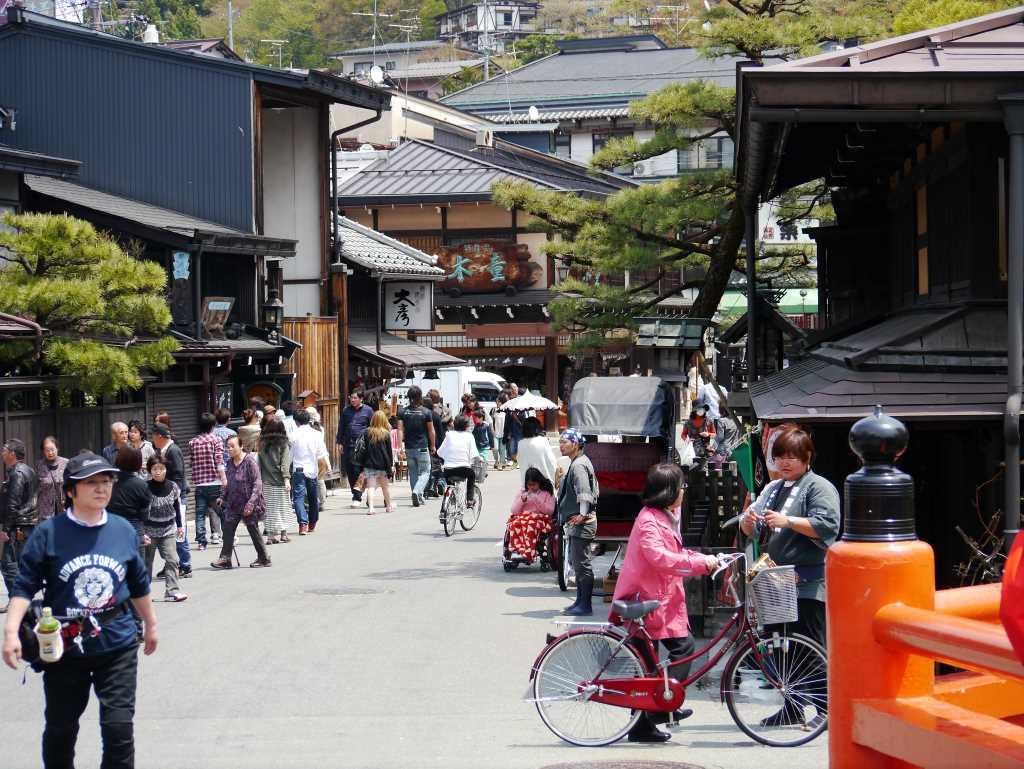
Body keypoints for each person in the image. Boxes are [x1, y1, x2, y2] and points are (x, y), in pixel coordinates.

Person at [2, 451, 158, 769]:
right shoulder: (49, 533)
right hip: (64, 648)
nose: (101, 488)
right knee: (61, 731)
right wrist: (10, 632)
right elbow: (24, 585)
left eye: (106, 481)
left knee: (118, 730)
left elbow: (138, 583)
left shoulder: (122, 530)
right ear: (71, 490)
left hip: (117, 642)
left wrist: (151, 624)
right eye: (91, 483)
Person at [610, 462, 719, 743]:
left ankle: (643, 724)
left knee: (648, 665)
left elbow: (676, 551)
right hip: (647, 599)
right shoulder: (649, 520)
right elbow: (660, 558)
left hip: (658, 598)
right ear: (670, 491)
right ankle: (659, 708)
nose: (684, 491)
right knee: (682, 648)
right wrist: (700, 564)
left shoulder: (665, 515)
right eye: (681, 486)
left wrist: (701, 559)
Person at [740, 427, 839, 727]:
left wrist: (789, 521)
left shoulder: (818, 487)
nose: (785, 463)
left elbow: (828, 525)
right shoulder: (773, 488)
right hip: (777, 579)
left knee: (808, 643)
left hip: (809, 580)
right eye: (780, 456)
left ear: (807, 457)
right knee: (780, 646)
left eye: (792, 457)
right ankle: (793, 706)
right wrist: (747, 522)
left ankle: (826, 709)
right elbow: (754, 530)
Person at [211, 435, 271, 569]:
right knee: (228, 528)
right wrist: (222, 496)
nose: (229, 449)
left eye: (232, 446)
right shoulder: (230, 463)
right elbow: (229, 482)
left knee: (253, 529)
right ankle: (225, 559)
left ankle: (264, 558)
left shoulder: (250, 461)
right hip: (233, 503)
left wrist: (251, 503)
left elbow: (257, 483)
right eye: (228, 447)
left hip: (248, 503)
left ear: (241, 446)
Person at [556, 428, 599, 616]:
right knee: (578, 563)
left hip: (583, 522)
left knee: (582, 564)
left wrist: (582, 514)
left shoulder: (579, 465)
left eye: (565, 442)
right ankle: (580, 601)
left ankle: (585, 604)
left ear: (576, 444)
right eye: (560, 442)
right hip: (578, 521)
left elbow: (585, 492)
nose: (561, 446)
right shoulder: (578, 462)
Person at [1, 439, 38, 613]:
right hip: (27, 524)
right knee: (21, 563)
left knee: (9, 564)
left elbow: (13, 504)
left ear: (12, 454)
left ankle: (17, 601)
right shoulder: (29, 470)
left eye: (4, 450)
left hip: (18, 525)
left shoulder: (18, 473)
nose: (2, 453)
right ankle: (23, 600)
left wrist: (5, 529)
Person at [143, 456, 188, 602]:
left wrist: (180, 526)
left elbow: (176, 506)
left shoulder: (173, 487)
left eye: (161, 469)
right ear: (150, 470)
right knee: (146, 562)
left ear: (166, 470)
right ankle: (144, 593)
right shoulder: (145, 487)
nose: (158, 472)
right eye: (155, 469)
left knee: (173, 559)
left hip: (168, 528)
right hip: (149, 530)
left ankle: (172, 591)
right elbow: (140, 510)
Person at [150, 423, 191, 577]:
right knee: (170, 531)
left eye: (153, 436)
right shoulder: (163, 450)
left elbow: (179, 474)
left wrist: (176, 494)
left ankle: (185, 565)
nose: (152, 439)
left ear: (159, 436)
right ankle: (173, 564)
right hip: (169, 495)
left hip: (177, 495)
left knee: (179, 530)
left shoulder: (173, 450)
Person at [189, 412, 228, 550]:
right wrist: (224, 478)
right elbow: (219, 460)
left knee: (200, 514)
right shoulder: (216, 440)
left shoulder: (193, 442)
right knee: (221, 511)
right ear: (213, 425)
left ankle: (201, 542)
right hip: (214, 481)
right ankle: (228, 535)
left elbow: (192, 462)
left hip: (199, 483)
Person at [505, 468, 556, 563]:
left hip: (540, 519)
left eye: (534, 485)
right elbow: (514, 511)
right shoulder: (522, 492)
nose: (531, 487)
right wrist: (522, 500)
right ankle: (517, 550)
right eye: (529, 485)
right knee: (514, 524)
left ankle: (528, 551)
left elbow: (550, 511)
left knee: (530, 525)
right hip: (523, 518)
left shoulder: (547, 493)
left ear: (539, 482)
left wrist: (536, 499)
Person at [107, 447, 151, 554]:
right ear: (138, 462)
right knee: (137, 569)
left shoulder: (108, 482)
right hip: (135, 531)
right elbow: (144, 515)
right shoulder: (142, 485)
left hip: (111, 530)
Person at [291, 409, 329, 534]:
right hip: (312, 469)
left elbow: (289, 455)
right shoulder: (316, 434)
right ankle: (312, 522)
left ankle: (302, 523)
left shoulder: (293, 435)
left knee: (298, 497)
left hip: (298, 469)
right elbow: (321, 453)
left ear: (296, 422)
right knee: (313, 497)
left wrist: (285, 469)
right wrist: (327, 466)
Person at [257, 418, 295, 544]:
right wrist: (287, 479)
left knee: (269, 509)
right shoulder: (283, 443)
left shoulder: (261, 443)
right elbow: (285, 464)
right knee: (283, 508)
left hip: (266, 481)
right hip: (280, 481)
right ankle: (284, 534)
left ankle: (270, 536)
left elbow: (259, 463)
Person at [398, 386, 437, 508]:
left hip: (409, 447)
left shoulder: (402, 412)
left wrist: (400, 447)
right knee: (425, 471)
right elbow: (431, 431)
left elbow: (400, 430)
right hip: (422, 446)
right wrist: (433, 445)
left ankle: (417, 495)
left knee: (413, 472)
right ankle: (417, 492)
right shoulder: (426, 412)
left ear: (409, 397)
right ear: (420, 396)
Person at [337, 391, 374, 507]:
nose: (352, 400)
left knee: (358, 470)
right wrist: (339, 442)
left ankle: (357, 496)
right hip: (348, 445)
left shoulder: (368, 411)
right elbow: (341, 427)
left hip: (362, 446)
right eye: (351, 398)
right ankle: (357, 491)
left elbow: (372, 428)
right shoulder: (346, 411)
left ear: (361, 399)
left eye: (354, 398)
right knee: (350, 471)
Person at [436, 415, 479, 511]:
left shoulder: (449, 434)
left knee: (450, 484)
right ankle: (470, 500)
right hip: (463, 469)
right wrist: (478, 460)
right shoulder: (469, 436)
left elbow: (440, 452)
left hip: (448, 470)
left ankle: (451, 500)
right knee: (471, 475)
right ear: (466, 426)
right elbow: (474, 454)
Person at [360, 411, 395, 515]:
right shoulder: (386, 434)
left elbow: (363, 449)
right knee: (385, 487)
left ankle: (371, 508)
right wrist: (390, 465)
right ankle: (388, 506)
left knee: (370, 487)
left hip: (369, 464)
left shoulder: (366, 432)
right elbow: (389, 452)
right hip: (383, 465)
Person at [515, 417, 558, 487]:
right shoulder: (543, 441)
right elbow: (551, 461)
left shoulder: (520, 443)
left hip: (527, 484)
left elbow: (520, 460)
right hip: (544, 483)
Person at [36, 436, 68, 522]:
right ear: (43, 451)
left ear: (57, 448)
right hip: (45, 511)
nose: (50, 452)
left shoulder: (66, 463)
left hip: (63, 508)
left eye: (52, 449)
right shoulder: (39, 465)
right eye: (47, 450)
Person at [492, 395, 508, 470]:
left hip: (503, 433)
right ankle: (496, 461)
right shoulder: (493, 410)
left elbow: (508, 423)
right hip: (495, 433)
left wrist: (508, 433)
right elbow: (490, 421)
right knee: (495, 448)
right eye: (497, 402)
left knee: (502, 450)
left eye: (499, 402)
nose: (497, 403)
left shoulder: (506, 411)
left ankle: (502, 463)